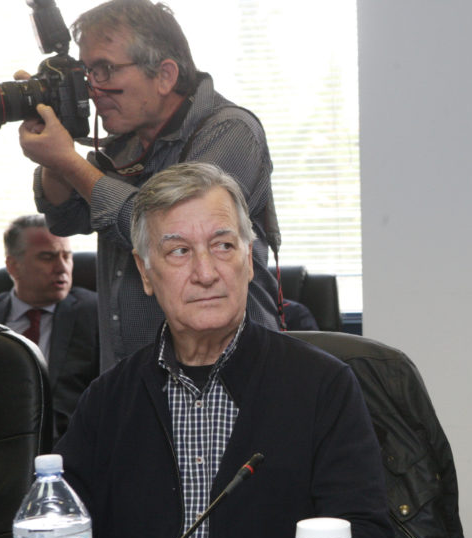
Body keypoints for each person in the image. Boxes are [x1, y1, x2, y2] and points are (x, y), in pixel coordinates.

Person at [53, 162, 391, 538]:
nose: (206, 273)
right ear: (145, 272)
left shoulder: (323, 386)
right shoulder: (107, 401)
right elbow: (53, 535)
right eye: (179, 251)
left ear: (248, 260)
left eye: (223, 246)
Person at [18, 0, 282, 372]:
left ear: (164, 75)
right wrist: (55, 141)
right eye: (87, 71)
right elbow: (65, 217)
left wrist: (68, 161)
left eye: (105, 69)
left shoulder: (229, 132)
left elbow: (167, 232)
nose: (91, 88)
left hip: (228, 372)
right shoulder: (127, 140)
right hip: (133, 376)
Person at [0, 214, 99, 439]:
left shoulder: (95, 312)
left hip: (66, 441)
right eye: (47, 257)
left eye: (67, 256)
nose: (62, 267)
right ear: (13, 266)